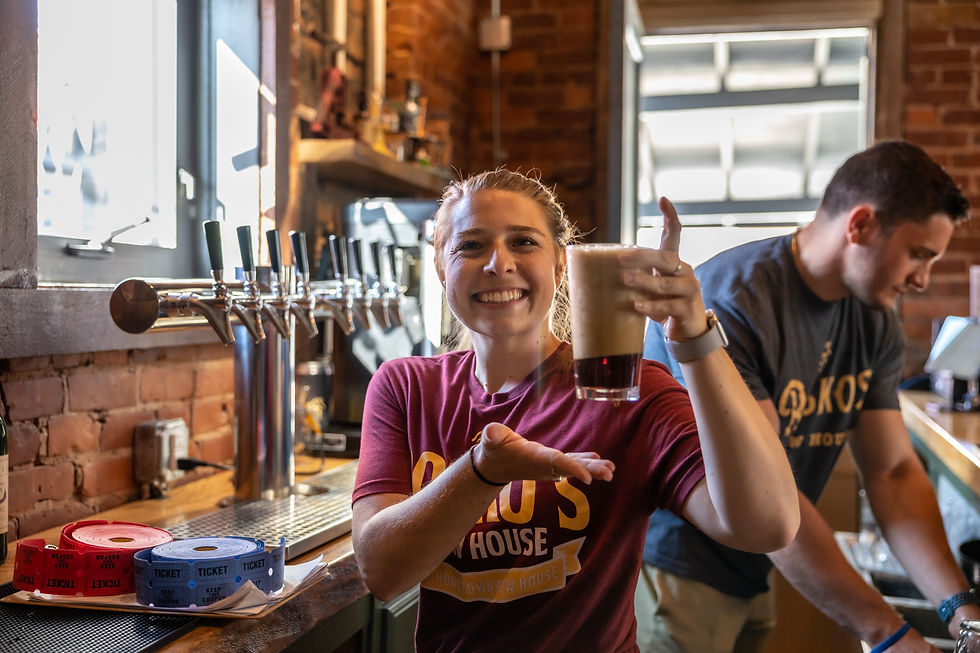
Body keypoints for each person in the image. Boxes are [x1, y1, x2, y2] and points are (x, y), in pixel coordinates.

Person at [351, 168, 800, 652]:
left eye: (524, 242)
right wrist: (482, 472)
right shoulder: (406, 387)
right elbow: (381, 572)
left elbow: (767, 524)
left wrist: (693, 336)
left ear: (561, 266)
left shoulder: (626, 392)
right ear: (442, 268)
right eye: (471, 246)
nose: (499, 263)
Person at [635, 140, 979, 653]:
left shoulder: (873, 319)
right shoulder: (735, 299)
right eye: (918, 255)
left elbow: (892, 473)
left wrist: (962, 612)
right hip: (682, 568)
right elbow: (761, 485)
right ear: (860, 225)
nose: (923, 280)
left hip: (762, 559)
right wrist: (887, 633)